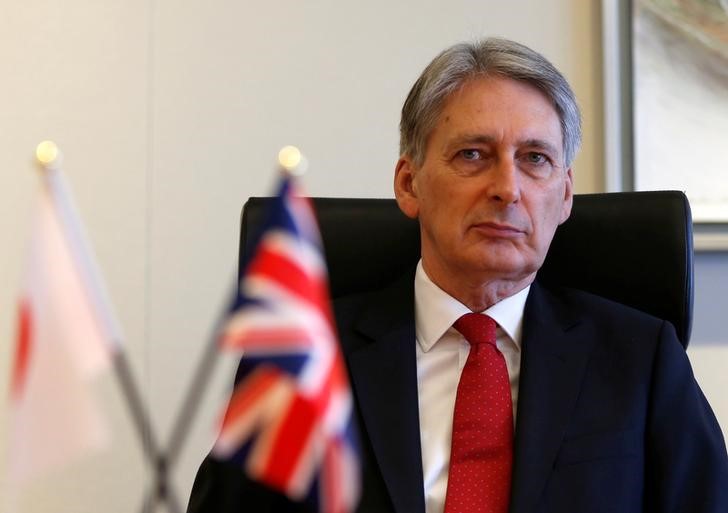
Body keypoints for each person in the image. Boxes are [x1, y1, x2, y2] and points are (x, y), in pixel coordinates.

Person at [187, 38, 728, 513]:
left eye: (535, 158)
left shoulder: (640, 359)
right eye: (473, 154)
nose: (507, 188)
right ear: (409, 184)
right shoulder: (305, 357)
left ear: (565, 195)